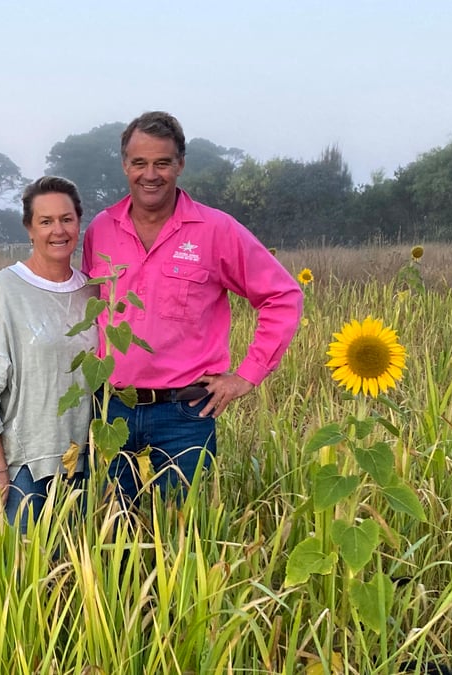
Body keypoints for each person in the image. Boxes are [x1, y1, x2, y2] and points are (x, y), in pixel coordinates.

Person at [81, 111, 303, 505]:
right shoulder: (100, 228)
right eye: (139, 163)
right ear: (124, 165)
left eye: (162, 163)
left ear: (180, 165)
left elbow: (283, 296)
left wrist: (247, 376)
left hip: (183, 417)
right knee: (111, 536)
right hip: (111, 411)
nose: (150, 174)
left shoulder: (216, 230)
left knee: (180, 541)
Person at [0, 176, 98, 530]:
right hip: (26, 467)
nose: (58, 230)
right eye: (46, 221)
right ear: (29, 228)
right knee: (24, 576)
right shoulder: (4, 291)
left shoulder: (93, 293)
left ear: (79, 223)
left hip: (87, 464)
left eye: (66, 219)